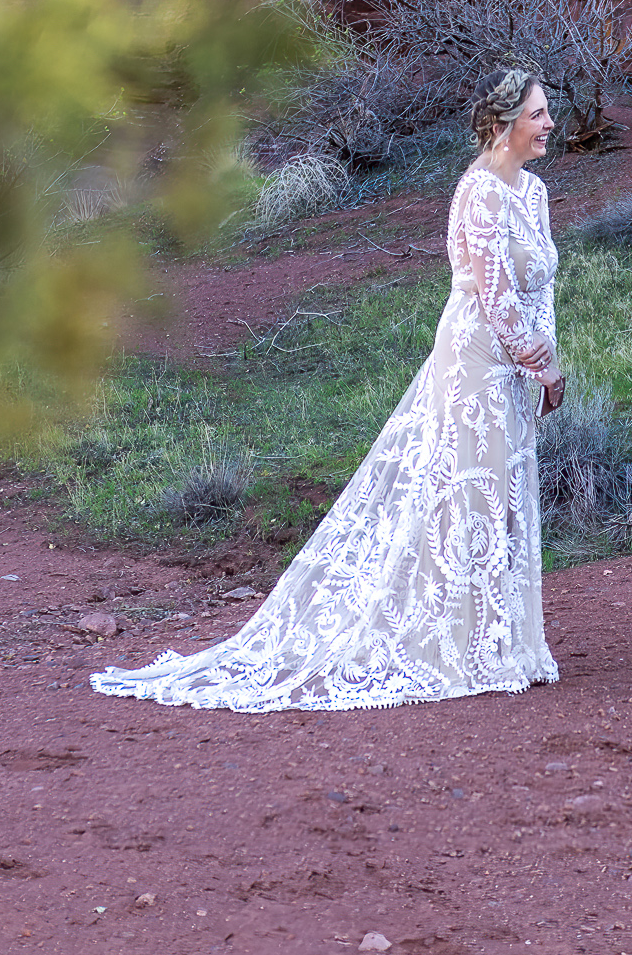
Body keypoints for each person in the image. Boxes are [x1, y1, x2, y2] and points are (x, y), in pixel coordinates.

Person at [91, 69, 564, 714]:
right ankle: (465, 645)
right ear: (503, 124)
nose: (549, 125)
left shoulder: (532, 193)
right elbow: (494, 291)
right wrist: (537, 361)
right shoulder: (478, 191)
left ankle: (502, 641)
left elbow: (539, 288)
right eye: (537, 115)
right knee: (467, 493)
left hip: (517, 368)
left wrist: (548, 359)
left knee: (506, 496)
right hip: (477, 359)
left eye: (548, 114)